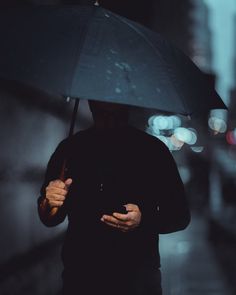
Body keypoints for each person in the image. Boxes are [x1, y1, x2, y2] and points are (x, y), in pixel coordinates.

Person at [38, 100, 191, 295]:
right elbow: (49, 218)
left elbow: (180, 216)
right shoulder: (71, 149)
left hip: (137, 281)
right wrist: (48, 202)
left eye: (116, 116)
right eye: (102, 115)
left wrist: (143, 220)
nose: (109, 122)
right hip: (81, 279)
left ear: (127, 108)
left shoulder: (154, 151)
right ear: (92, 107)